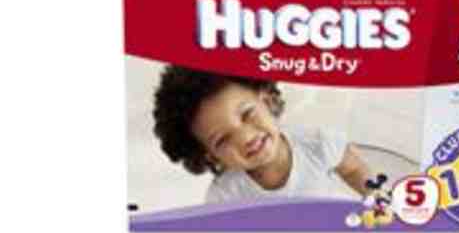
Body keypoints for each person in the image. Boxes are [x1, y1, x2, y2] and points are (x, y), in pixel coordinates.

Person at [153, 65, 371, 203]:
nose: (246, 138)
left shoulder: (317, 144)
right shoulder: (225, 195)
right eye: (222, 139)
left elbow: (353, 169)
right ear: (210, 155)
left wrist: (376, 200)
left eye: (247, 114)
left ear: (266, 100)